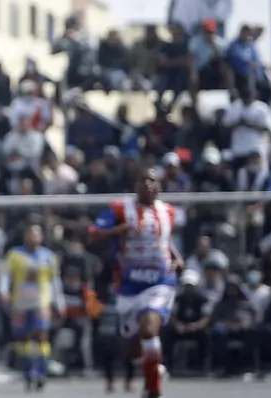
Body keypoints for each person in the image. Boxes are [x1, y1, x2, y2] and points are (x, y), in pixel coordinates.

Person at [90, 170, 183, 398]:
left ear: (159, 187)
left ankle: (153, 390)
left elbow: (163, 240)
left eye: (153, 180)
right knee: (132, 344)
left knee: (150, 329)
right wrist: (119, 230)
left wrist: (176, 257)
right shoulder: (120, 209)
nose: (148, 184)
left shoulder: (168, 212)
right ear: (135, 185)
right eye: (143, 180)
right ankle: (152, 368)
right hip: (129, 286)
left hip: (159, 282)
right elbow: (94, 233)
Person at [0, 223, 65, 391]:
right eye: (30, 234)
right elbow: (6, 275)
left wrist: (59, 302)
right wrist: (3, 291)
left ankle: (42, 372)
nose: (33, 237)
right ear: (25, 236)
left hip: (41, 302)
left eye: (37, 234)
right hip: (20, 302)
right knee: (23, 339)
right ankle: (28, 373)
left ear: (42, 237)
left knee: (41, 336)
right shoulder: (15, 255)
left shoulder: (49, 256)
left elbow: (54, 281)